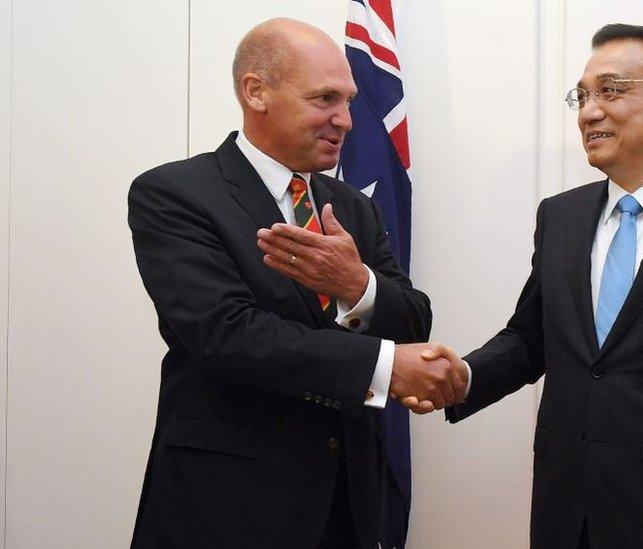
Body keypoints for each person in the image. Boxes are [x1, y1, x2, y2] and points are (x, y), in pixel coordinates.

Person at [403, 23, 643, 548]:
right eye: (582, 96)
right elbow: (530, 338)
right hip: (568, 514)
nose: (588, 111)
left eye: (611, 91)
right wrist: (464, 376)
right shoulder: (560, 217)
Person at [128, 18, 466, 548]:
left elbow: (412, 319)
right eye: (325, 99)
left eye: (350, 101)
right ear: (256, 92)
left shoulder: (354, 205)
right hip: (227, 505)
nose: (347, 120)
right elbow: (226, 334)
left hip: (347, 504)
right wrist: (382, 368)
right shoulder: (175, 194)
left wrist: (357, 285)